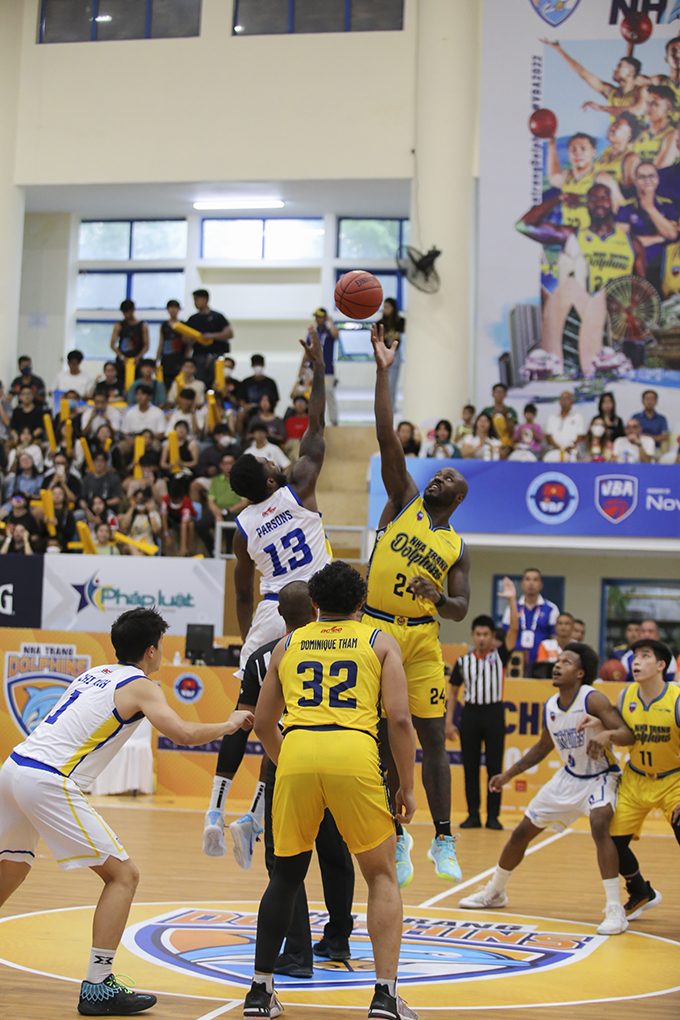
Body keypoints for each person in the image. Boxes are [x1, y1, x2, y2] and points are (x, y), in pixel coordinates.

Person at [0, 607, 254, 1017]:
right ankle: (98, 986)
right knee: (124, 875)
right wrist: (228, 724)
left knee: (11, 868)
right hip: (48, 779)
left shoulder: (94, 672)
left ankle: (99, 983)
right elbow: (184, 733)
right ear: (152, 651)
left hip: (13, 768)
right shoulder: (142, 685)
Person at [244, 561, 417, 1020]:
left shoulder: (287, 643)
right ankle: (384, 996)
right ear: (361, 603)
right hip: (353, 751)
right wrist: (408, 788)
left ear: (315, 604)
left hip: (298, 747)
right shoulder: (380, 641)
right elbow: (399, 720)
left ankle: (260, 993)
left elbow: (262, 724)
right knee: (380, 875)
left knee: (284, 875)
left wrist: (294, 761)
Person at [202, 328, 332, 859]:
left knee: (247, 709)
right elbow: (318, 427)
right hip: (312, 612)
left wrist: (243, 639)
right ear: (271, 474)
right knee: (286, 719)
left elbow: (239, 588)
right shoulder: (298, 486)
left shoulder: (242, 528)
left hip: (267, 614)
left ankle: (215, 806)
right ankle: (255, 816)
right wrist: (318, 368)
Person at [363, 323, 470, 888]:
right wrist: (383, 371)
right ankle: (400, 835)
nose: (441, 474)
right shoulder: (403, 498)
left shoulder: (456, 546)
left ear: (457, 498)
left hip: (424, 638)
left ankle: (444, 837)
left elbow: (461, 610)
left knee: (432, 739)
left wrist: (440, 596)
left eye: (450, 477)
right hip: (376, 634)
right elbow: (387, 437)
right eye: (440, 470)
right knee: (385, 735)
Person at [211, 579, 356, 977]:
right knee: (335, 853)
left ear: (278, 614)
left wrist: (218, 802)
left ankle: (295, 954)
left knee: (284, 860)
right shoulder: (346, 645)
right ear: (314, 608)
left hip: (290, 761)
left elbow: (251, 723)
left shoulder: (265, 655)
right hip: (339, 756)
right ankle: (338, 937)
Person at [459, 644, 632, 936]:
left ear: (579, 673)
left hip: (600, 776)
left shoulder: (593, 698)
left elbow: (627, 734)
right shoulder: (551, 705)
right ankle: (495, 892)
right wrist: (508, 774)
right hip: (568, 778)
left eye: (566, 662)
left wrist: (606, 733)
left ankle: (615, 909)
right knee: (520, 833)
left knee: (599, 823)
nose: (557, 665)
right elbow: (543, 747)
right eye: (557, 660)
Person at [593, 638, 680, 920]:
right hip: (636, 778)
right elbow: (619, 729)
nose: (636, 662)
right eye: (634, 656)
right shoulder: (626, 696)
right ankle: (640, 890)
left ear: (661, 665)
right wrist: (598, 725)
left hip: (673, 781)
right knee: (612, 842)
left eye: (645, 656)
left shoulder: (676, 699)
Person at [517, 185, 645, 375]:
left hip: (616, 327)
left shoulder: (631, 242)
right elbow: (524, 225)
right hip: (582, 323)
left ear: (612, 202)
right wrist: (559, 199)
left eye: (603, 197)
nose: (599, 203)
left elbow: (642, 289)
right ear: (586, 205)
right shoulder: (573, 235)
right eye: (592, 199)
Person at [446, 579, 519, 831]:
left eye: (486, 634)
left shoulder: (500, 656)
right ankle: (473, 815)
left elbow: (514, 633)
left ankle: (494, 816)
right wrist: (449, 722)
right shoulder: (463, 661)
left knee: (494, 767)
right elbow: (453, 692)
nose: (481, 638)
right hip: (471, 714)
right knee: (470, 767)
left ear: (492, 636)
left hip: (494, 713)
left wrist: (511, 599)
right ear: (472, 635)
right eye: (477, 634)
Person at [542, 41, 645, 122]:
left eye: (619, 66)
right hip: (619, 145)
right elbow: (583, 73)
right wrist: (560, 50)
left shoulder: (642, 91)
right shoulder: (611, 93)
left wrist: (601, 108)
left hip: (638, 145)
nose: (615, 69)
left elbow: (636, 111)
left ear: (631, 72)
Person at [617, 162, 678, 291]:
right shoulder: (625, 206)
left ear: (657, 179)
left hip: (664, 265)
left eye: (651, 176)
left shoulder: (668, 204)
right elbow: (624, 243)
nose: (647, 180)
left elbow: (672, 234)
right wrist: (660, 238)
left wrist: (649, 208)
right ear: (635, 181)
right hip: (636, 266)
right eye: (642, 177)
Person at [195, 452, 249, 556]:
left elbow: (244, 502)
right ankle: (212, 550)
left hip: (234, 511)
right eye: (225, 463)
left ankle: (229, 551)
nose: (228, 466)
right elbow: (210, 501)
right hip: (218, 511)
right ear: (221, 465)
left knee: (230, 524)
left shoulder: (240, 480)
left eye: (230, 463)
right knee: (200, 525)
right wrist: (217, 513)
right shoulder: (216, 480)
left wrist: (228, 510)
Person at [503, 568, 559, 666]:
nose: (531, 583)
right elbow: (505, 635)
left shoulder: (551, 608)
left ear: (541, 585)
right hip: (515, 661)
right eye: (527, 579)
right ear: (522, 583)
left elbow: (554, 638)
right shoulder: (511, 608)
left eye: (535, 580)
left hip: (542, 662)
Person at [186, 288, 233, 384]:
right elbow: (185, 338)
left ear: (205, 299)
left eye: (196, 299)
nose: (195, 302)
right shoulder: (193, 319)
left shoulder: (217, 317)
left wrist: (211, 336)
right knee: (199, 382)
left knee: (217, 382)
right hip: (198, 355)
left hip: (215, 355)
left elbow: (229, 333)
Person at [308, 307, 340, 426]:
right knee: (314, 395)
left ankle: (334, 420)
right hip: (313, 369)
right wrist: (301, 369)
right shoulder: (313, 333)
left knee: (329, 392)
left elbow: (335, 334)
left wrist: (330, 321)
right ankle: (315, 420)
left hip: (327, 369)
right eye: (316, 317)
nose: (318, 319)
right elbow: (307, 351)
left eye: (320, 317)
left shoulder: (329, 332)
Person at [633, 85, 677, 167]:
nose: (648, 107)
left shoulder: (673, 135)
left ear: (667, 109)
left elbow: (659, 168)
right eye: (647, 103)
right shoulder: (641, 135)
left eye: (654, 103)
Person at [593, 111, 641, 186]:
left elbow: (632, 192)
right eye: (612, 125)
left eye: (617, 126)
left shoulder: (631, 158)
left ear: (629, 135)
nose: (611, 128)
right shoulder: (603, 157)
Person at [109, 300, 148, 384]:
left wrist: (138, 358)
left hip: (137, 361)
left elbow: (146, 345)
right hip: (122, 362)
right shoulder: (119, 325)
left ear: (133, 310)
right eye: (124, 312)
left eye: (128, 312)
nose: (126, 314)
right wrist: (122, 357)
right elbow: (112, 344)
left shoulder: (142, 325)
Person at [378, 298, 406, 413]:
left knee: (392, 383)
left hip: (395, 353)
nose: (385, 310)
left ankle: (391, 406)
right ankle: (383, 406)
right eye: (384, 307)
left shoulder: (400, 322)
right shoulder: (380, 323)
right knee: (383, 382)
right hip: (383, 354)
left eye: (388, 307)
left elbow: (397, 337)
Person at [117, 488, 161, 554]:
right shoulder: (131, 514)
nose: (140, 502)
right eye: (138, 499)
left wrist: (150, 511)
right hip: (131, 544)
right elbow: (124, 526)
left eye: (142, 499)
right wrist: (132, 507)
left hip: (147, 545)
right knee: (132, 548)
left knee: (141, 552)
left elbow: (156, 530)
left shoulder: (153, 514)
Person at [160, 476, 196, 557]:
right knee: (160, 525)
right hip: (173, 516)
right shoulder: (166, 499)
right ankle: (162, 552)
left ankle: (188, 551)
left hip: (187, 518)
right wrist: (166, 535)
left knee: (190, 525)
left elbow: (184, 524)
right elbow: (163, 517)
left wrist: (182, 547)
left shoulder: (186, 502)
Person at [155, 299, 187, 388]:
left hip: (179, 359)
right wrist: (157, 359)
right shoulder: (164, 326)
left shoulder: (183, 325)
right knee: (165, 383)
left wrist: (186, 359)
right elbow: (161, 343)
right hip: (166, 360)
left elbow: (187, 344)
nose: (173, 310)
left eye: (175, 308)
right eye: (171, 308)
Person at [545, 392, 586, 456]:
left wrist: (569, 448)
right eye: (562, 399)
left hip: (573, 451)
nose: (564, 401)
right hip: (554, 451)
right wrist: (558, 449)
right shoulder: (552, 418)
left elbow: (580, 437)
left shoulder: (578, 417)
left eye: (567, 399)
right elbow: (548, 436)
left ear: (572, 401)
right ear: (559, 401)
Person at [481, 383, 518, 449]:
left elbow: (511, 432)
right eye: (497, 392)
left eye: (501, 392)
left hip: (506, 444)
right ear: (492, 395)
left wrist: (505, 416)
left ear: (505, 395)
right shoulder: (486, 411)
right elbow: (481, 428)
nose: (499, 394)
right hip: (490, 442)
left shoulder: (510, 411)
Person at [283, 396, 309, 462]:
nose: (300, 405)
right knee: (295, 444)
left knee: (293, 455)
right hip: (289, 444)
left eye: (302, 403)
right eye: (298, 403)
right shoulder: (289, 421)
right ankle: (300, 465)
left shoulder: (310, 421)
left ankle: (296, 467)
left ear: (306, 405)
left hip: (304, 445)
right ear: (294, 405)